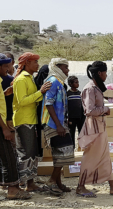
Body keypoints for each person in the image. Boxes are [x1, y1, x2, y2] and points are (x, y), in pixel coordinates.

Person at [0, 53, 31, 200]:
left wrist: (4, 93)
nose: (9, 69)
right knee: (8, 158)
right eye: (7, 66)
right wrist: (4, 128)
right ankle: (13, 190)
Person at [76, 61, 113, 197]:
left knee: (104, 157)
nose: (107, 75)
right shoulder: (90, 89)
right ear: (100, 73)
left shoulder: (98, 87)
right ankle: (80, 186)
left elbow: (108, 95)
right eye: (105, 72)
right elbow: (89, 110)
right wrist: (106, 109)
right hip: (93, 129)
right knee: (91, 158)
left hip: (100, 127)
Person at [12, 52, 52, 192]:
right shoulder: (21, 79)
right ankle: (25, 183)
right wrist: (40, 92)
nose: (37, 65)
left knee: (31, 152)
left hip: (30, 119)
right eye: (35, 62)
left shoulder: (29, 78)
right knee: (26, 153)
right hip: (23, 120)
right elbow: (22, 101)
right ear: (27, 63)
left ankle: (30, 182)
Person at [41, 58, 74, 196]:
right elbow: (49, 103)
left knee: (60, 153)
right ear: (58, 67)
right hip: (53, 123)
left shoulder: (59, 81)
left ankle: (58, 183)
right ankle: (52, 181)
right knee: (64, 151)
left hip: (60, 122)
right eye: (65, 67)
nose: (67, 70)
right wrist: (59, 126)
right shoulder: (53, 81)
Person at [34, 65, 49, 157]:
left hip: (44, 110)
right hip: (40, 110)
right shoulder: (35, 83)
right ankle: (41, 151)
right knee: (40, 131)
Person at [67, 76, 85, 149]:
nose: (78, 84)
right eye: (76, 82)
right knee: (72, 133)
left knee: (81, 133)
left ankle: (81, 147)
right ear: (71, 84)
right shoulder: (67, 94)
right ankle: (72, 148)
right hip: (71, 117)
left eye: (78, 82)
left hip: (80, 117)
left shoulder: (80, 93)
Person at [1, 52, 15, 142]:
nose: (6, 67)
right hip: (2, 117)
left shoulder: (17, 77)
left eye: (7, 65)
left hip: (12, 116)